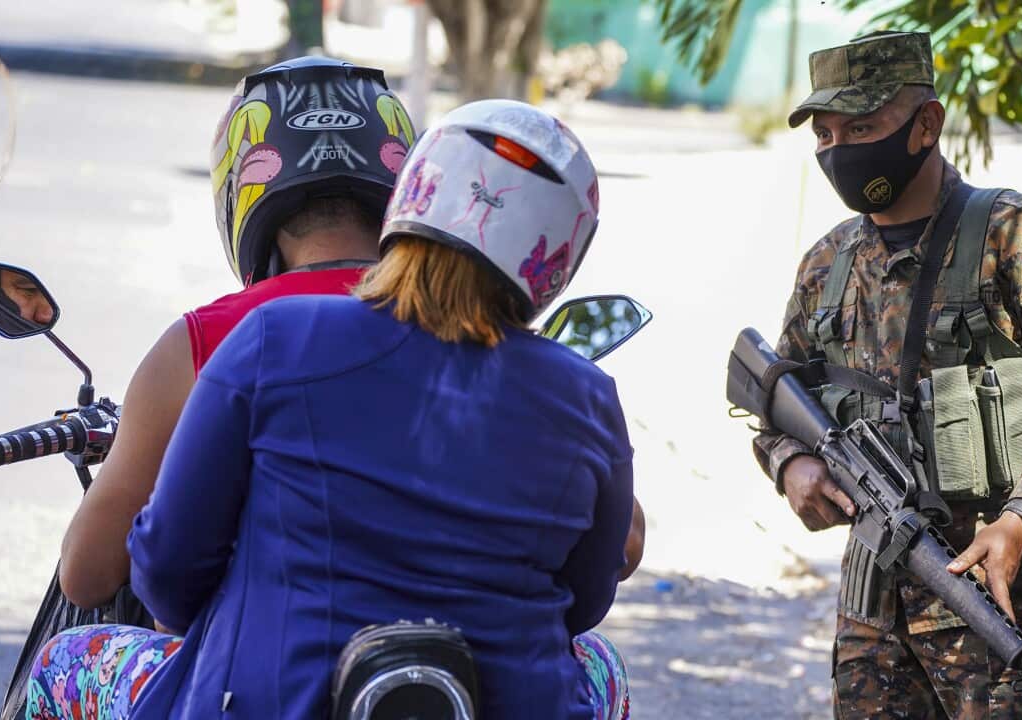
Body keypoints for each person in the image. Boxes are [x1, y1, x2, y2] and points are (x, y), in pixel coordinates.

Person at [31, 100, 633, 720]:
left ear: (414, 196)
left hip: (259, 702)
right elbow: (584, 603)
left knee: (66, 661)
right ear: (557, 257)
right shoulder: (588, 396)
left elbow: (168, 572)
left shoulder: (274, 337)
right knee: (601, 662)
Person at [754, 31, 1022, 718]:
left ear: (927, 124)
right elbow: (778, 397)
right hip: (874, 624)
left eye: (862, 126)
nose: (839, 149)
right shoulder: (826, 265)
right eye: (826, 133)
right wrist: (790, 465)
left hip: (1011, 614)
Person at [56, 55, 418, 612]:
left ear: (242, 190)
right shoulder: (477, 327)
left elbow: (87, 575)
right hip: (471, 672)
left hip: (254, 680)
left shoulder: (208, 340)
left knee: (65, 660)